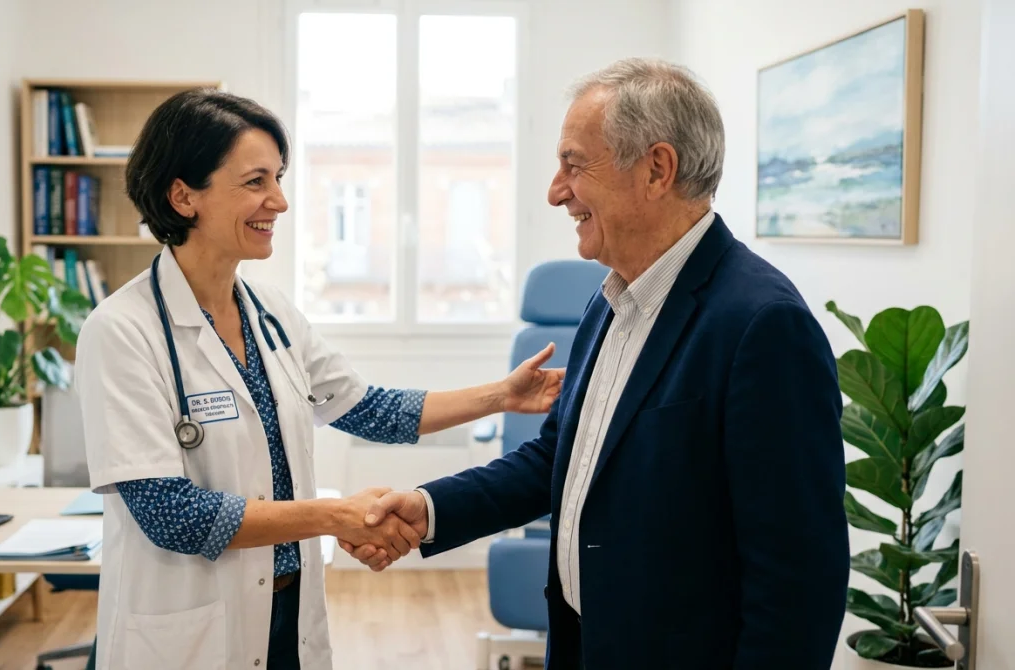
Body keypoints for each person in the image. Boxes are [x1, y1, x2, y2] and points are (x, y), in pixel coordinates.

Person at [343, 58, 850, 668]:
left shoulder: (762, 325)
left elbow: (798, 581)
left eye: (574, 164)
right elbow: (557, 458)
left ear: (657, 169)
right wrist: (429, 510)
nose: (557, 191)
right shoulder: (611, 297)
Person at [73, 89, 565, 670]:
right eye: (256, 181)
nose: (279, 201)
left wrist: (500, 396)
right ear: (184, 196)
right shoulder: (122, 331)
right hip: (190, 632)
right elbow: (170, 513)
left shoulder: (272, 313)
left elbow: (368, 409)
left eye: (278, 178)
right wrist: (334, 516)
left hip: (287, 617)